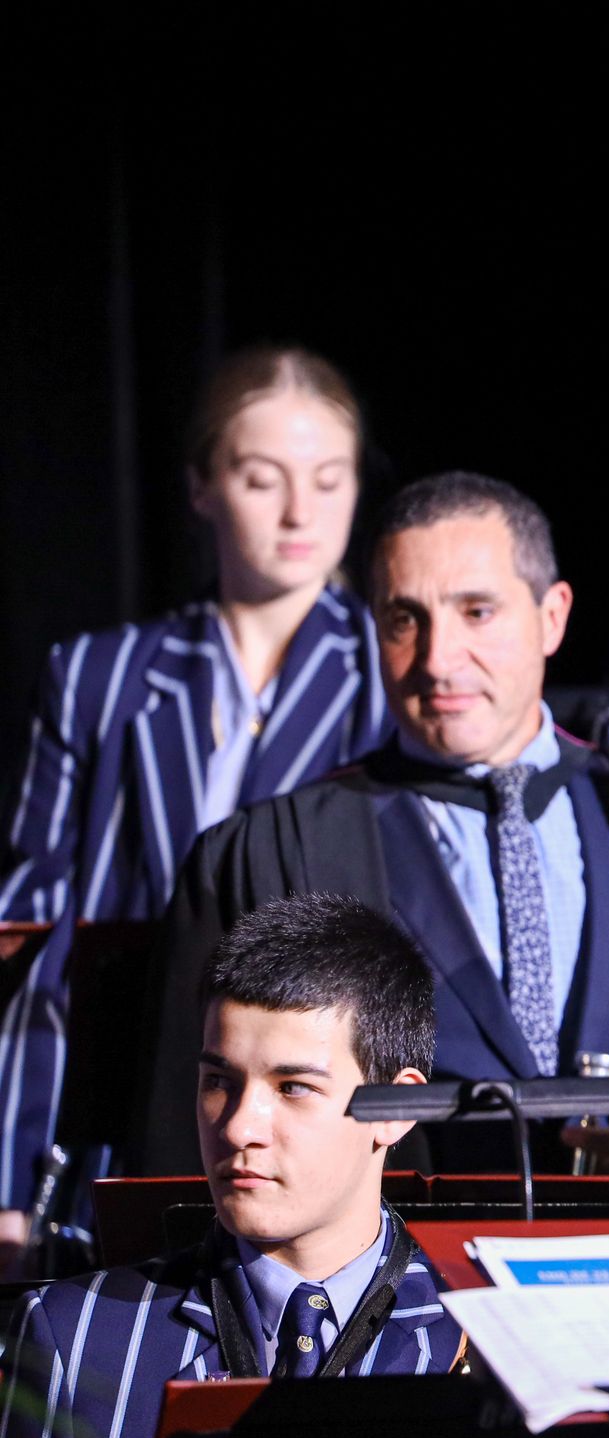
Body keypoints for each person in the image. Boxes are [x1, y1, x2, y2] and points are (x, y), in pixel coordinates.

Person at [138, 472, 609, 1178]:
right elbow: (178, 1149)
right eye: (405, 619)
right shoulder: (266, 853)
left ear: (552, 617)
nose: (437, 659)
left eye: (477, 612)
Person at [0, 893, 466, 1438]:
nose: (239, 1126)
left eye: (292, 1087)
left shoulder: (489, 1337)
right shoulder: (70, 1337)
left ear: (399, 1105)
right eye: (219, 1080)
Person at [0, 347, 389, 1258]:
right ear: (203, 486)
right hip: (118, 1127)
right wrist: (11, 1181)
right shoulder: (98, 677)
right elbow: (31, 952)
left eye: (329, 479)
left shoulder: (391, 674)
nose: (299, 512)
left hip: (315, 1139)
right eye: (262, 478)